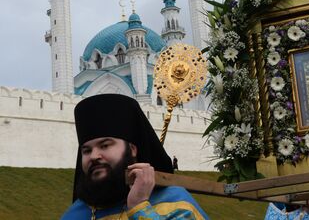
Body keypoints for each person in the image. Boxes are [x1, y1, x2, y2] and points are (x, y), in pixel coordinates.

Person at [61, 93, 209, 219]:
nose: (93, 156)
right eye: (86, 150)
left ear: (132, 149)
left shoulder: (175, 202)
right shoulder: (74, 214)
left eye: (105, 145)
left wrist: (140, 208)